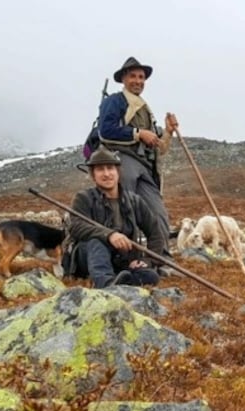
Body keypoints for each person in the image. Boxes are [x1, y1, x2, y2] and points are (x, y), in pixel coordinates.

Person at [98, 56, 178, 276]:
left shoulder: (144, 110)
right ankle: (126, 261)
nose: (138, 80)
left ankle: (161, 260)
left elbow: (159, 147)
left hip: (144, 167)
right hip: (122, 160)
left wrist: (168, 131)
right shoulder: (115, 101)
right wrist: (138, 133)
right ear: (123, 78)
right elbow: (105, 131)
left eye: (141, 77)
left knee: (157, 212)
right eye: (133, 76)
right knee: (125, 211)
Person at [63, 146, 162, 288]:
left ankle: (122, 282)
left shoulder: (134, 201)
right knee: (96, 242)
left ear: (118, 172)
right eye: (100, 169)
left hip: (123, 261)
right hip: (89, 259)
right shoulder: (83, 198)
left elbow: (154, 232)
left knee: (150, 276)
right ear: (93, 175)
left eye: (110, 168)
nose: (106, 173)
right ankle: (106, 285)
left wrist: (148, 260)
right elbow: (76, 226)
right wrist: (109, 235)